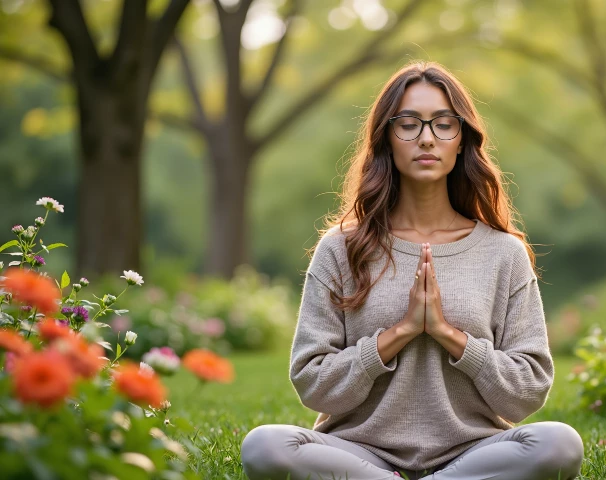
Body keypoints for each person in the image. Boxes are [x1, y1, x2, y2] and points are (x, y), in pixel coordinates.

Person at [240, 60, 584, 480]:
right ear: (386, 138)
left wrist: (448, 335)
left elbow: (527, 391)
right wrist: (397, 334)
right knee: (265, 446)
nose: (426, 138)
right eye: (408, 124)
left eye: (443, 124)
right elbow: (313, 384)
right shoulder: (340, 249)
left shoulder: (503, 253)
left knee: (559, 444)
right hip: (358, 453)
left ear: (462, 141)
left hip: (474, 452)